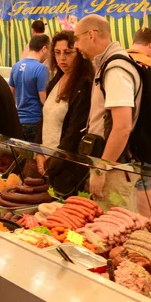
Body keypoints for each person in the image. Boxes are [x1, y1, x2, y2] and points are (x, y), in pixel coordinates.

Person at [74, 14, 142, 211]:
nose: (76, 46)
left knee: (112, 232)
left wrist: (102, 169)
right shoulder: (107, 65)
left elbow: (122, 127)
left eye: (77, 38)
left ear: (91, 35)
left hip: (113, 168)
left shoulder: (115, 69)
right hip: (108, 163)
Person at [35, 30, 93, 196]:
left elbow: (74, 132)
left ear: (79, 53)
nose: (62, 58)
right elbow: (44, 118)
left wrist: (52, 163)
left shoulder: (85, 84)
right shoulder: (55, 80)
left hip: (68, 168)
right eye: (57, 53)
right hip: (47, 162)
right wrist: (39, 153)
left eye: (68, 53)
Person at [127, 27, 151, 218]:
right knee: (147, 180)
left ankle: (124, 220)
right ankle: (144, 222)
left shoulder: (120, 60)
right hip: (147, 135)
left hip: (123, 131)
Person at [9, 35, 50, 141]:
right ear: (44, 48)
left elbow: (10, 95)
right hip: (34, 121)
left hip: (18, 121)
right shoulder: (41, 69)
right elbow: (43, 99)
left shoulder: (16, 66)